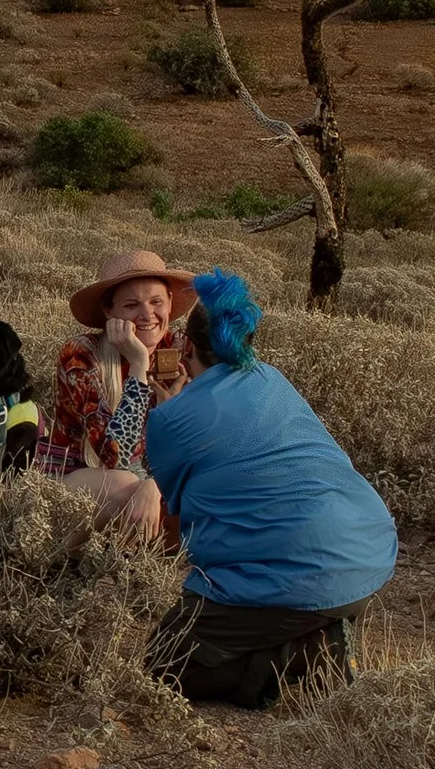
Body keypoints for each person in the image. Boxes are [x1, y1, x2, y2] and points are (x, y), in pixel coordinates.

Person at [145, 268, 397, 707]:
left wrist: (174, 407)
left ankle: (303, 653)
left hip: (297, 579)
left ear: (185, 348)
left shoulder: (171, 420)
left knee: (162, 664)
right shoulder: (272, 378)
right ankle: (317, 628)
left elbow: (175, 518)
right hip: (367, 555)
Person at [42, 249, 196, 540]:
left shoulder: (181, 350)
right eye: (131, 305)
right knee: (125, 484)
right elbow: (116, 457)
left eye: (156, 302)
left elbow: (203, 443)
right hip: (80, 479)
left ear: (170, 303)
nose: (147, 315)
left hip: (154, 483)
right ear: (108, 312)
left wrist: (155, 484)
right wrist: (138, 365)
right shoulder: (81, 355)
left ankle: (139, 561)